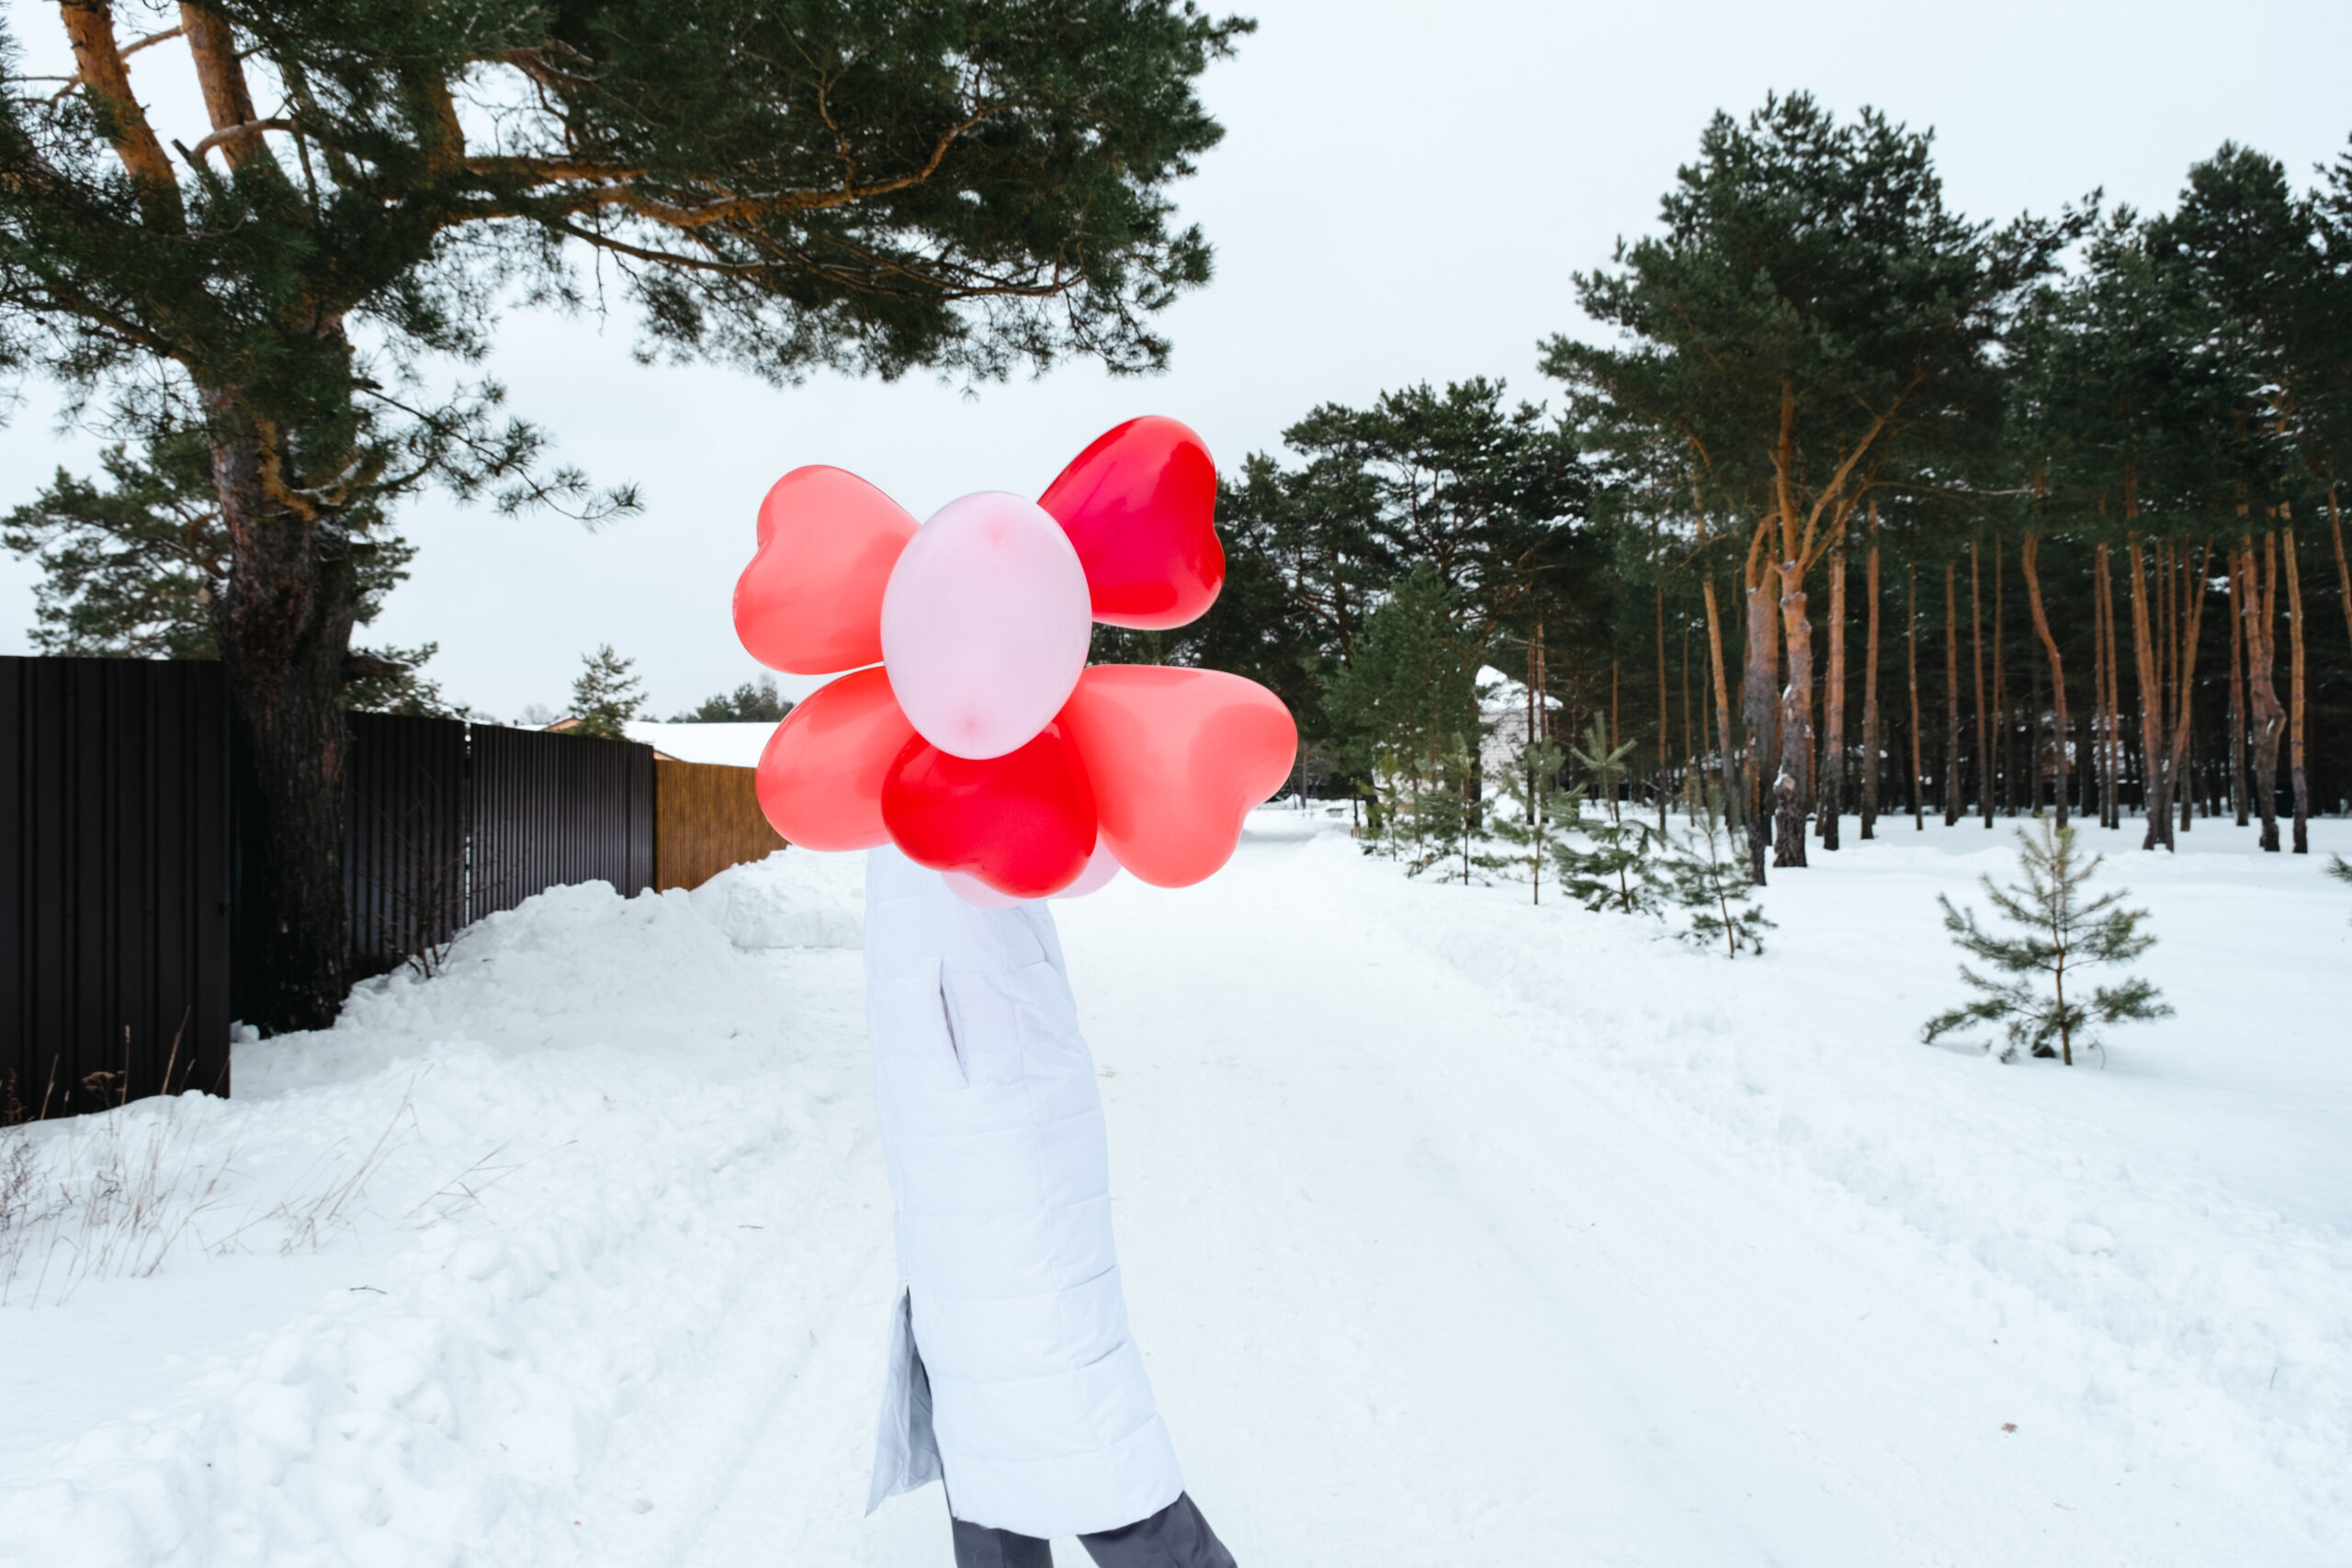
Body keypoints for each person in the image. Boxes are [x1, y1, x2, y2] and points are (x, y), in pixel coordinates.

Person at [863, 843, 1238, 1568]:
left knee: (1064, 1397)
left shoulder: (976, 750)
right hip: (941, 1090)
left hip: (991, 1081)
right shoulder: (894, 769)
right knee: (980, 1402)